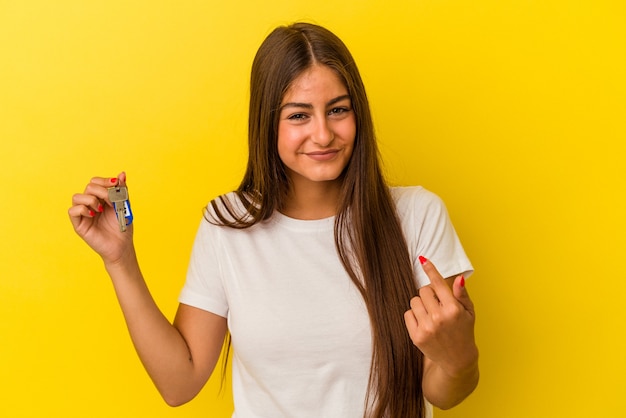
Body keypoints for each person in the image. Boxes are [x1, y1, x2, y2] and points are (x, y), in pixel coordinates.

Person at [69, 22, 478, 418]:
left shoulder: (417, 215)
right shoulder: (227, 224)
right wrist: (120, 261)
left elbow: (443, 392)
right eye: (299, 115)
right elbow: (179, 384)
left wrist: (460, 357)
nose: (323, 134)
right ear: (267, 123)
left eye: (338, 110)